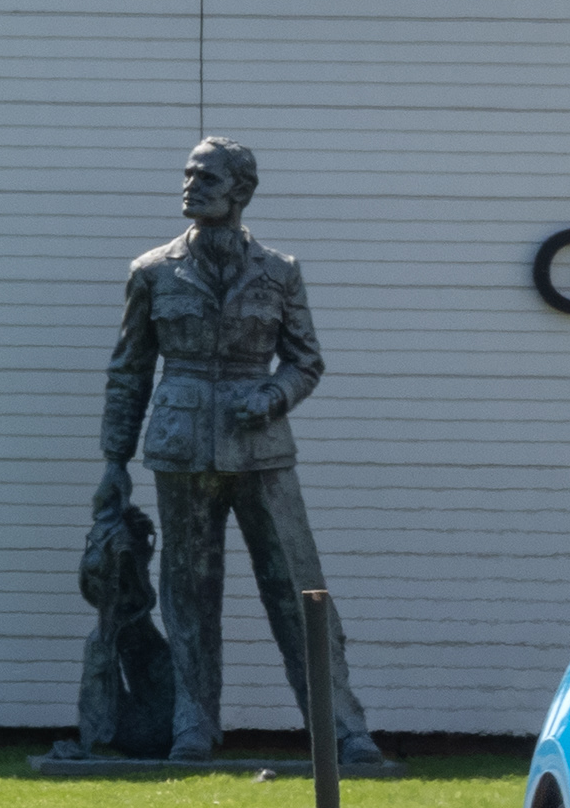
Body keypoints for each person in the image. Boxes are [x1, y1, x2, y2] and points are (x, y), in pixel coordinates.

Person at [101, 137, 382, 766]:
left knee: (297, 586)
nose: (190, 185)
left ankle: (340, 726)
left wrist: (274, 395)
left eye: (206, 177)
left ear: (239, 191)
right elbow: (128, 373)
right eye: (188, 174)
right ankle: (193, 725)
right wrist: (112, 464)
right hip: (180, 449)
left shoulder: (279, 270)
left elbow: (307, 361)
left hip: (262, 451)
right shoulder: (152, 271)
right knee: (188, 591)